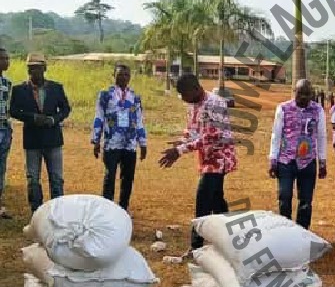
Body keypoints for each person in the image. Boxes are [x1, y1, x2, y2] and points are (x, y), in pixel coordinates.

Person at [158, 74, 237, 255]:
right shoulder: (193, 104)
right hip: (206, 158)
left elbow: (211, 136)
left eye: (183, 94)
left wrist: (180, 151)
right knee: (217, 201)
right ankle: (231, 239)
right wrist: (180, 142)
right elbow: (192, 130)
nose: (182, 98)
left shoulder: (215, 103)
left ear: (195, 88)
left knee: (203, 198)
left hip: (219, 158)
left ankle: (196, 246)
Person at [10, 54, 71, 213]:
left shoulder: (56, 88)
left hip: (53, 140)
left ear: (45, 68)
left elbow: (65, 109)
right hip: (32, 140)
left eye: (37, 68)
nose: (34, 71)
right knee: (32, 179)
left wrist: (53, 119)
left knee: (56, 179)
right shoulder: (19, 90)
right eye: (31, 68)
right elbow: (14, 111)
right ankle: (36, 213)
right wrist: (33, 118)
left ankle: (58, 213)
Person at [268, 79, 327, 229]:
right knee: (284, 196)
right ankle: (285, 230)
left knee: (306, 201)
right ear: (295, 92)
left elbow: (321, 136)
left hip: (307, 162)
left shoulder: (318, 110)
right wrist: (273, 160)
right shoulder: (283, 108)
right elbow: (276, 135)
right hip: (285, 161)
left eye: (307, 94)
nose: (303, 98)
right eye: (300, 94)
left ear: (311, 95)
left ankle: (302, 232)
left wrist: (322, 162)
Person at [91, 64, 147, 212]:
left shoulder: (135, 97)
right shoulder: (105, 95)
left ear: (130, 77)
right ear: (113, 75)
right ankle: (106, 209)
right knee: (110, 176)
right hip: (111, 142)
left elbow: (139, 120)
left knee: (128, 178)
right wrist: (96, 140)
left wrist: (143, 143)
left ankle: (123, 209)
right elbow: (99, 116)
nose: (123, 77)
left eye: (126, 75)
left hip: (129, 144)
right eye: (120, 74)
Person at [0, 49, 12, 219]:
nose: (7, 61)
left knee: (1, 168)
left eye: (7, 58)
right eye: (3, 58)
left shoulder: (8, 83)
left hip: (4, 128)